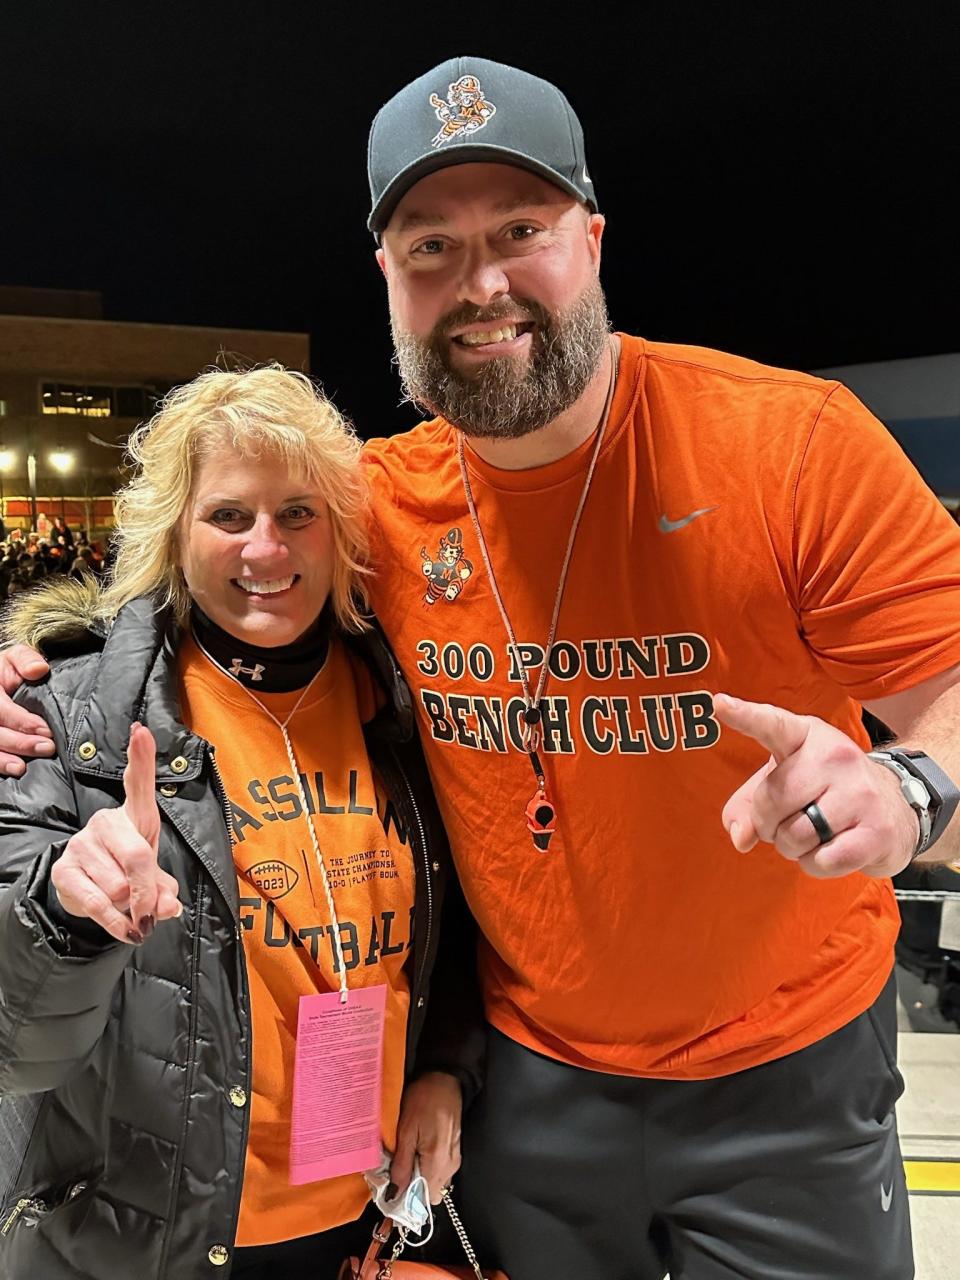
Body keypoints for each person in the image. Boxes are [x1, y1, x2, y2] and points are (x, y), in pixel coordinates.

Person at [4, 55, 960, 1279]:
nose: (482, 283)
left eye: (521, 228)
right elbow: (203, 595)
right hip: (528, 1087)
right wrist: (32, 678)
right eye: (431, 247)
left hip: (786, 1076)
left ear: (594, 238)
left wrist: (911, 788)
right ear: (389, 279)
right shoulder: (373, 511)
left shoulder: (789, 446)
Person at [0, 367, 479, 1280]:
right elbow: (14, 1047)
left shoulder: (407, 705)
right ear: (173, 533)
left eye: (299, 512)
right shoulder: (66, 721)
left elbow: (464, 928)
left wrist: (449, 1068)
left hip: (363, 1221)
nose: (267, 548)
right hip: (156, 1241)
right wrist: (64, 912)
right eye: (229, 516)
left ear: (342, 532)